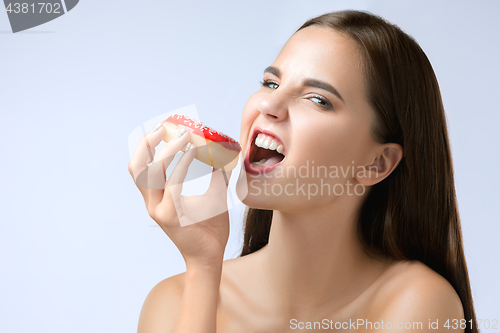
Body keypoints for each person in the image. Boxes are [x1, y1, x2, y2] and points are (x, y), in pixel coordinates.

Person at [128, 10, 478, 333]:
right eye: (271, 83)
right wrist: (204, 268)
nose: (269, 105)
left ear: (377, 163)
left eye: (318, 99)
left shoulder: (419, 303)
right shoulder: (173, 301)